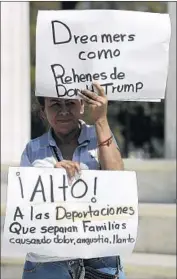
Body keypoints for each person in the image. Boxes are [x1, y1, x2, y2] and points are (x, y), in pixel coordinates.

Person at [21, 82, 125, 279]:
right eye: (55, 105)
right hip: (46, 261)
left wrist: (101, 119)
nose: (64, 111)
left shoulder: (101, 140)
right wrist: (49, 178)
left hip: (99, 258)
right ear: (43, 112)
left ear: (82, 105)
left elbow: (120, 182)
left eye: (70, 103)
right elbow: (24, 203)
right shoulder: (32, 150)